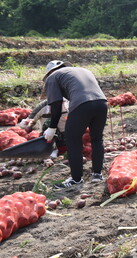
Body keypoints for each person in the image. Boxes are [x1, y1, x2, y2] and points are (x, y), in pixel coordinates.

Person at [42, 61, 108, 189]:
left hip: (82, 105)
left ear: (50, 72)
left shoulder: (52, 77)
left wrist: (52, 127)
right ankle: (97, 174)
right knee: (97, 139)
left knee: (73, 141)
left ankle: (76, 179)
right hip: (102, 103)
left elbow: (56, 105)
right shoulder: (82, 70)